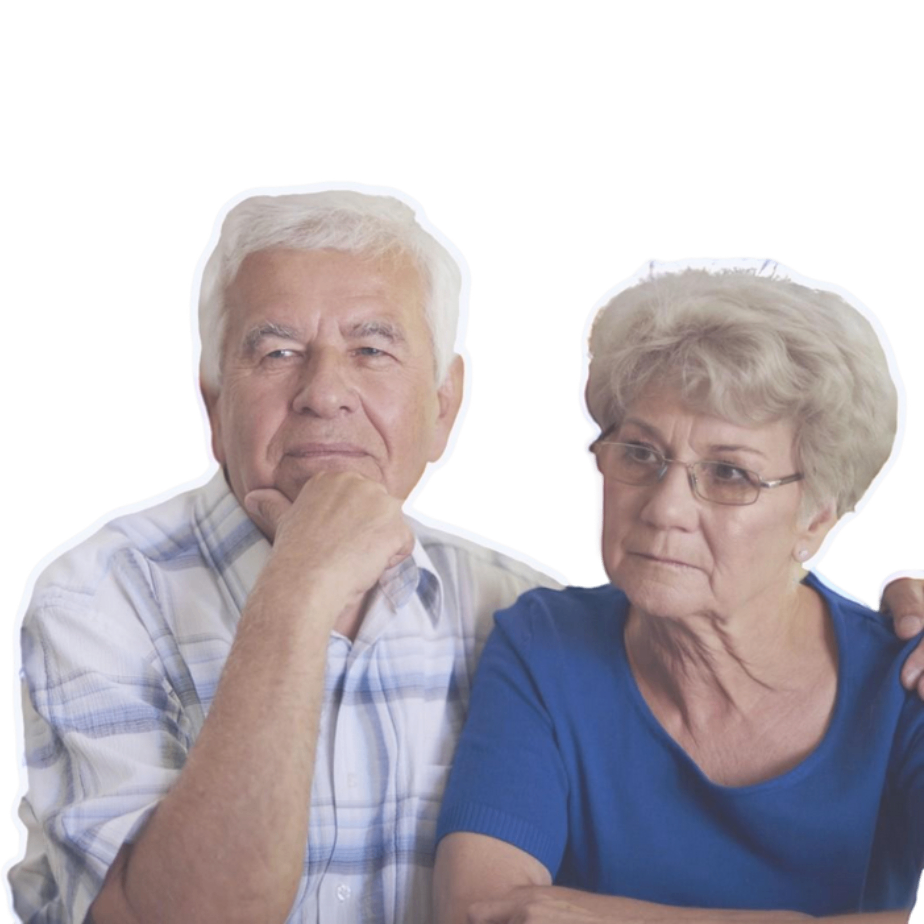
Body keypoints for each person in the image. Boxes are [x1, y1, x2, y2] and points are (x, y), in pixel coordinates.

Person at [5, 194, 921, 924]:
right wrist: (297, 592)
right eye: (276, 351)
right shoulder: (100, 595)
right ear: (211, 398)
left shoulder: (505, 599)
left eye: (373, 349)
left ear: (447, 406)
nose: (325, 394)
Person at [434, 266, 923, 923]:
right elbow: (485, 912)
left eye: (729, 473)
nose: (665, 508)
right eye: (640, 453)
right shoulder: (544, 645)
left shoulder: (905, 680)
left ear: (815, 516)